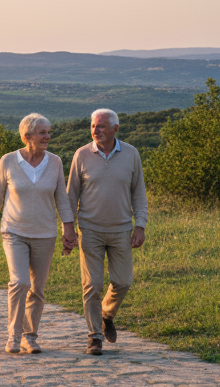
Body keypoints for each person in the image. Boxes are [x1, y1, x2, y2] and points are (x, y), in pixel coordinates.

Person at [0, 113, 75, 354]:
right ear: (27, 136)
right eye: (42, 132)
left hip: (45, 234)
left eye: (48, 132)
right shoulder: (8, 161)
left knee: (37, 289)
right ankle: (13, 337)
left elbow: (62, 199)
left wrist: (68, 230)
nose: (48, 136)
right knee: (20, 282)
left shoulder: (55, 162)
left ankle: (30, 337)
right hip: (14, 231)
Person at [66, 108, 148, 356]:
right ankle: (94, 337)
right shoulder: (81, 155)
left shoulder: (131, 154)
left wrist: (140, 225)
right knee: (92, 285)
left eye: (101, 126)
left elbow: (139, 193)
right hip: (90, 230)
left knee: (123, 281)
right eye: (93, 126)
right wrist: (68, 229)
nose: (96, 130)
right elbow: (71, 196)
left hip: (122, 230)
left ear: (116, 129)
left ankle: (106, 314)